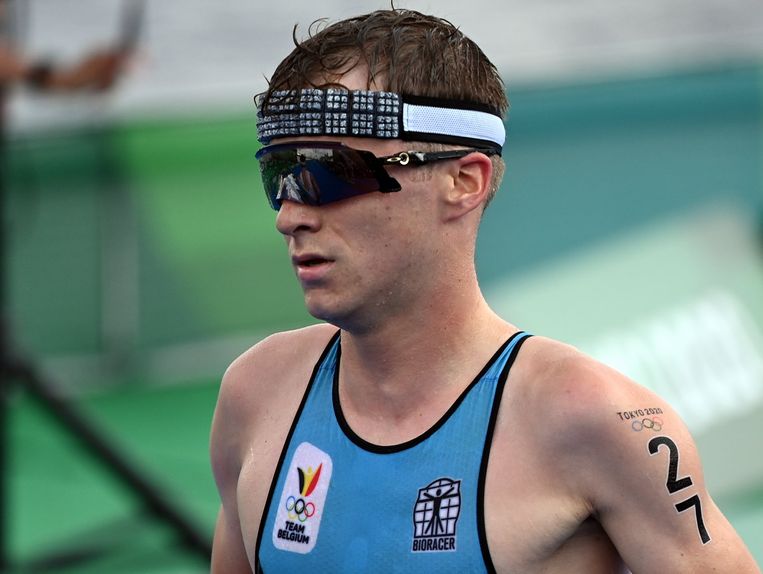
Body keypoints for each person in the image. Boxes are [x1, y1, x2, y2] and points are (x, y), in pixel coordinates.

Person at [210, 8, 761, 573]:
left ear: (463, 181)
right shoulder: (257, 393)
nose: (290, 216)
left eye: (326, 173)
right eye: (278, 177)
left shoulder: (593, 419)